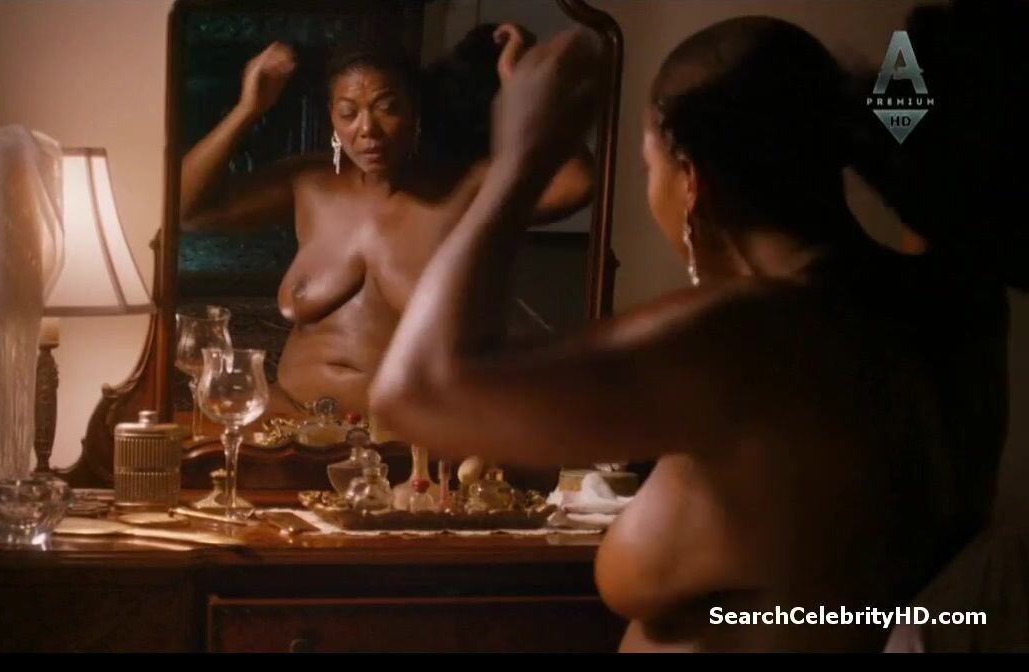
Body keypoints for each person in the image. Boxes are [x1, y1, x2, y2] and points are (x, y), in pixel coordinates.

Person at [368, 9, 1024, 652]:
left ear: (691, 181)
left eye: (648, 164)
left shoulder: (750, 336)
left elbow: (417, 393)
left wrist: (521, 158)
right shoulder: (960, 301)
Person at [179, 24, 594, 416]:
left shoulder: (462, 189)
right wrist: (248, 109)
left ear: (414, 111)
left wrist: (522, 91)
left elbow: (576, 184)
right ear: (332, 118)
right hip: (291, 417)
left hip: (401, 433)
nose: (367, 129)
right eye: (348, 112)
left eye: (387, 108)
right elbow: (187, 208)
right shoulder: (310, 184)